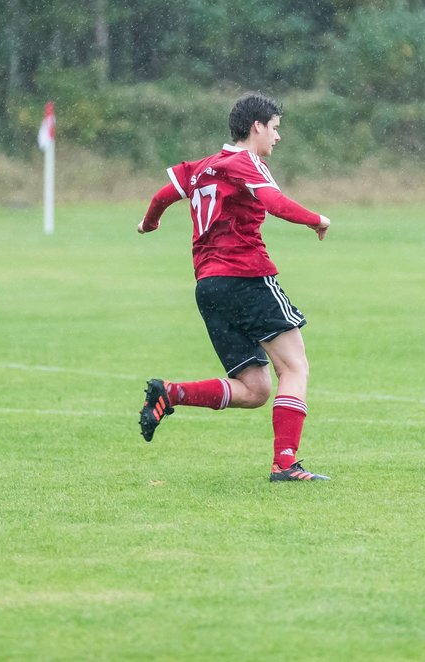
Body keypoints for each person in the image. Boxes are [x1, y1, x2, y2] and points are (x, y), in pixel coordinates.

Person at [136, 92, 332, 482]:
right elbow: (273, 202)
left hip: (209, 287)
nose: (277, 137)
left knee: (255, 389)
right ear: (256, 126)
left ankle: (170, 393)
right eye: (275, 129)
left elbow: (162, 195)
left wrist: (150, 223)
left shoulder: (200, 167)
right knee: (294, 366)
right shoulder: (246, 162)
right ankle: (286, 464)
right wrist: (316, 219)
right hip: (246, 276)